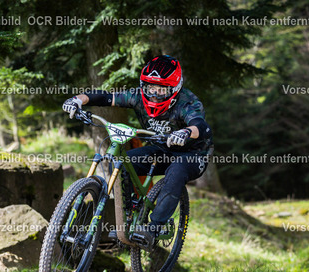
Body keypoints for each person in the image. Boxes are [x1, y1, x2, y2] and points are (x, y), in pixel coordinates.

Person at [62, 55, 213, 249]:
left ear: (174, 89)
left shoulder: (188, 102)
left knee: (176, 171)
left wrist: (186, 132)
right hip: (162, 149)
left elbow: (201, 126)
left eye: (161, 89)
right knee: (122, 162)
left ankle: (154, 227)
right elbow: (106, 97)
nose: (154, 94)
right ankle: (128, 215)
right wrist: (77, 100)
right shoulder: (137, 97)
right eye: (150, 88)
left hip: (193, 154)